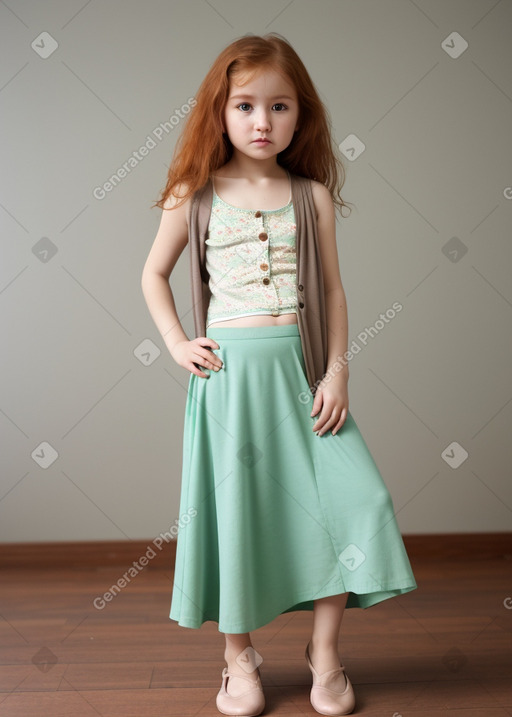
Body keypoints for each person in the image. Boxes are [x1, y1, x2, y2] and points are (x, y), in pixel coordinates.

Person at [141, 33, 417, 717]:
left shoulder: (310, 197)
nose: (262, 121)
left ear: (302, 115)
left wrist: (338, 372)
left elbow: (333, 294)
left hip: (302, 376)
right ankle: (239, 659)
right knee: (238, 517)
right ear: (220, 113)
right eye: (245, 106)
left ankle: (325, 654)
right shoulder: (194, 194)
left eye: (280, 106)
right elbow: (152, 274)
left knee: (359, 502)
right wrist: (177, 341)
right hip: (231, 383)